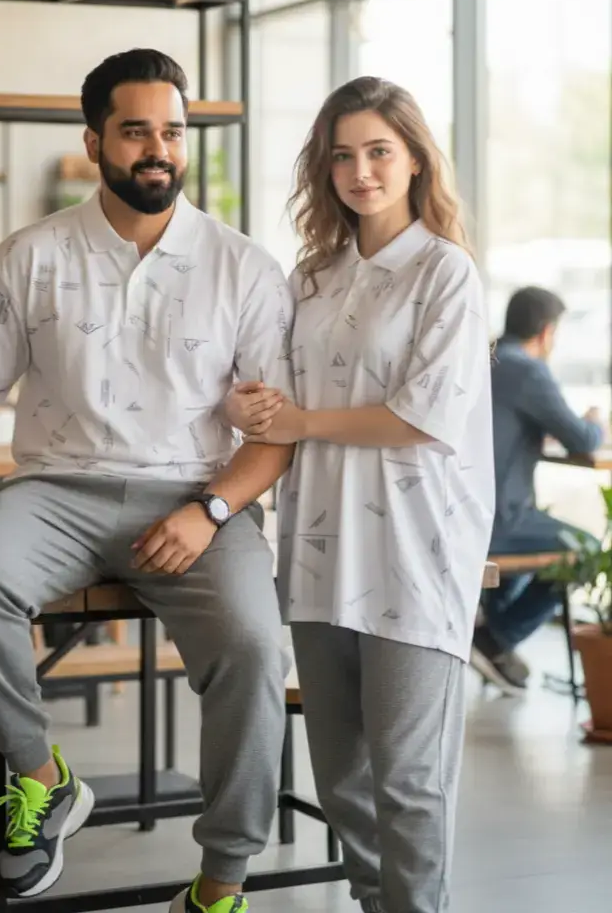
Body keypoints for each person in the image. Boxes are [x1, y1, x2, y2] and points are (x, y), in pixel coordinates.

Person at [0, 48, 295, 905]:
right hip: (55, 494)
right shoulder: (30, 255)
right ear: (94, 142)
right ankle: (44, 776)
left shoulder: (245, 267)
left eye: (173, 131)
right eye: (136, 131)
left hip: (197, 498)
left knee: (255, 646)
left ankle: (221, 882)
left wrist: (212, 510)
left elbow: (276, 434)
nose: (158, 149)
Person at [225, 76, 494, 913]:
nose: (361, 171)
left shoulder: (445, 273)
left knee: (408, 782)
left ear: (415, 160)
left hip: (415, 553)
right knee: (342, 780)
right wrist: (248, 407)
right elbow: (270, 397)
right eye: (342, 155)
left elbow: (423, 415)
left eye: (379, 151)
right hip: (316, 551)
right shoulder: (311, 278)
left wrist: (302, 420)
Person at [471, 286, 605, 692]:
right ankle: (495, 638)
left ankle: (490, 635)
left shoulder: (484, 357)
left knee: (539, 522)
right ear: (547, 332)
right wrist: (596, 420)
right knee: (586, 550)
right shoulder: (527, 369)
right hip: (499, 520)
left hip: (466, 512)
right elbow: (581, 438)